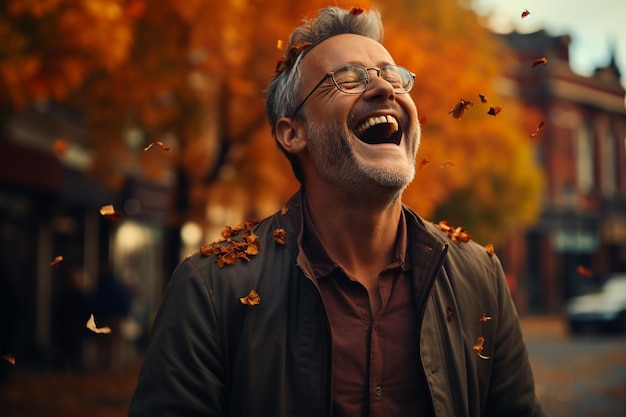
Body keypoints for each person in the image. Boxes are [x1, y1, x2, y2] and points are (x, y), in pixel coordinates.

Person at [128, 6, 544, 417]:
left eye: (393, 75)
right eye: (347, 77)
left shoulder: (480, 276)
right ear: (294, 133)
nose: (385, 89)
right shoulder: (210, 290)